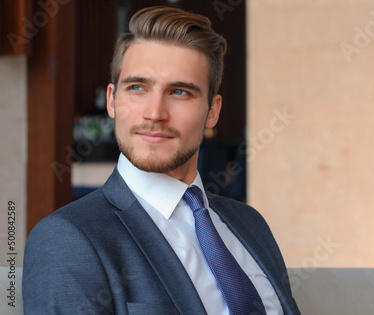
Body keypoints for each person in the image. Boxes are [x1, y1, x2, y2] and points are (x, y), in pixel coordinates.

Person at [22, 6, 300, 315]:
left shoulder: (251, 225)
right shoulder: (66, 239)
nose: (155, 113)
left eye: (180, 92)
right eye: (137, 87)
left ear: (212, 111)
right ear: (112, 101)